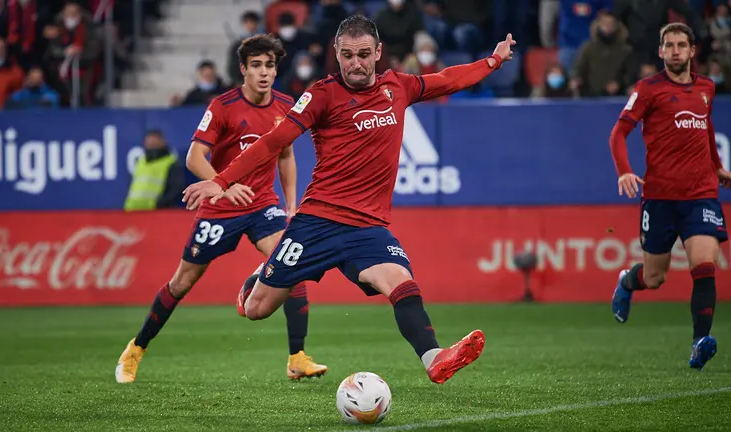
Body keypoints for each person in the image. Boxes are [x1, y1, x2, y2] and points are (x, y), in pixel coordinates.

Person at [182, 15, 516, 384]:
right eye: (346, 55)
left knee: (400, 280)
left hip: (368, 228)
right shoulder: (321, 94)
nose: (355, 63)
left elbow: (449, 79)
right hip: (317, 223)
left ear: (378, 53)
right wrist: (223, 179)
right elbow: (275, 142)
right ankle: (261, 276)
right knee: (257, 309)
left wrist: (493, 61)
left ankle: (434, 357)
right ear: (336, 55)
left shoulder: (398, 87)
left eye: (362, 54)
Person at [116, 34, 327, 383]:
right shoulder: (223, 105)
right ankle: (136, 349)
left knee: (293, 263)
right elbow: (194, 157)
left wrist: (290, 205)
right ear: (243, 69)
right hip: (220, 209)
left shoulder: (286, 105)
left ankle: (297, 357)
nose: (263, 72)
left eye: (269, 66)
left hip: (262, 204)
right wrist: (224, 189)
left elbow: (286, 156)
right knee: (182, 282)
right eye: (256, 65)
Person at [608, 23, 731, 370]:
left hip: (701, 195)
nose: (676, 51)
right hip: (660, 197)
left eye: (682, 45)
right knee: (655, 277)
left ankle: (699, 341)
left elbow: (705, 129)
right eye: (669, 45)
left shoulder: (707, 87)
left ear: (693, 51)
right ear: (661, 51)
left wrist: (718, 167)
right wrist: (624, 171)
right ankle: (627, 282)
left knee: (704, 266)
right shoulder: (648, 90)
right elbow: (618, 133)